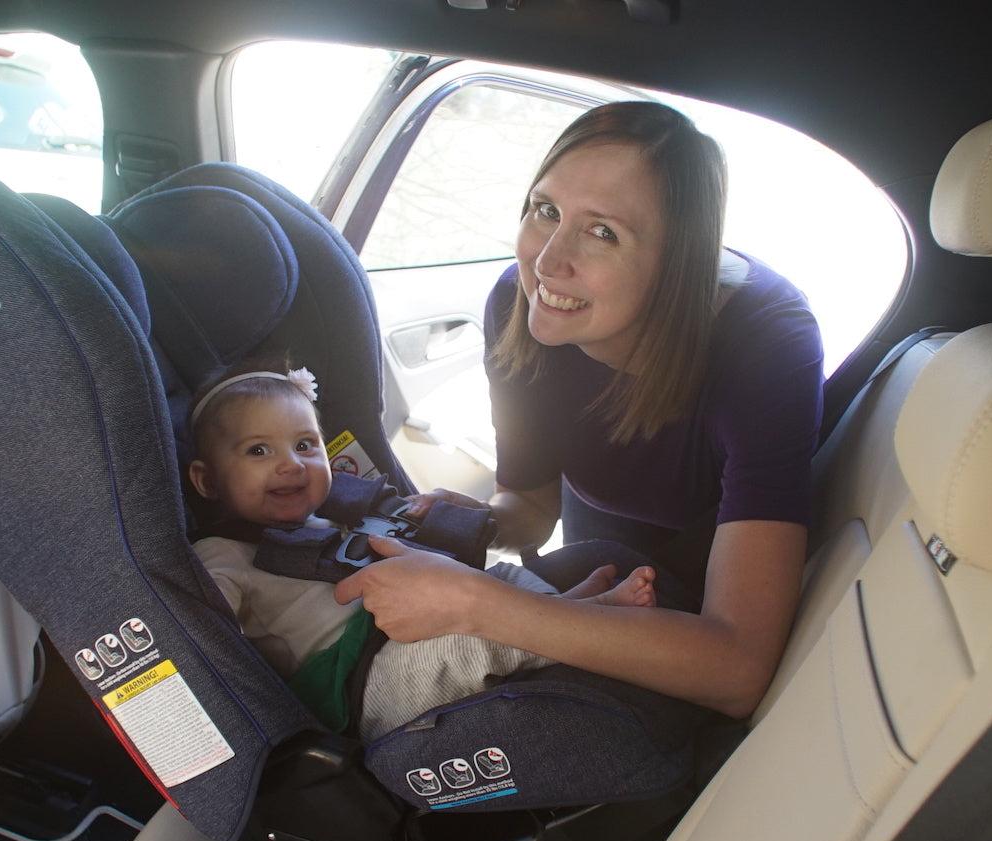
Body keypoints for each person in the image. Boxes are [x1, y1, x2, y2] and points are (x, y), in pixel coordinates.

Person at [336, 101, 824, 720]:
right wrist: (479, 522)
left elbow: (738, 669)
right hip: (605, 531)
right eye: (546, 210)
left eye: (603, 233)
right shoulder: (517, 304)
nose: (546, 262)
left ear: (679, 263)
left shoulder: (767, 348)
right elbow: (532, 506)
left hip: (717, 553)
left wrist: (474, 603)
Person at [186, 358, 656, 740]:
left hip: (412, 618)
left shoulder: (339, 510)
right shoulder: (220, 554)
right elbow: (200, 634)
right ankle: (584, 622)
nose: (291, 464)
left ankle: (566, 609)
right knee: (470, 634)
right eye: (258, 451)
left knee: (495, 581)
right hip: (362, 679)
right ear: (207, 480)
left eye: (305, 444)